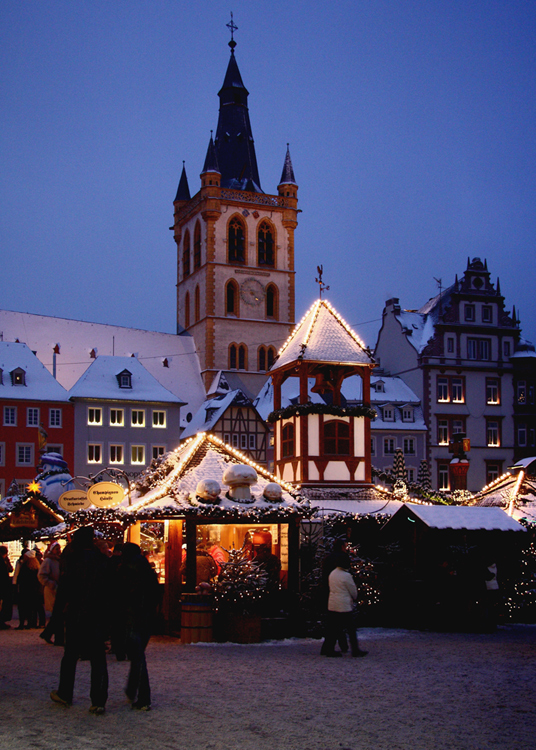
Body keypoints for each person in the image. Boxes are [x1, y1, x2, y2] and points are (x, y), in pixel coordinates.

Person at [50, 527, 110, 714]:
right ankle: (98, 700)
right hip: (96, 614)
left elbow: (64, 588)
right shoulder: (100, 560)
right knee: (98, 658)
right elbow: (108, 590)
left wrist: (58, 612)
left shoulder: (72, 559)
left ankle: (65, 693)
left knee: (70, 655)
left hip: (76, 613)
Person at [113, 542, 159, 711]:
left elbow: (120, 594)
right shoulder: (146, 568)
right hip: (146, 616)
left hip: (132, 615)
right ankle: (133, 689)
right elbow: (154, 593)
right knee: (137, 654)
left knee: (137, 656)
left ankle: (143, 697)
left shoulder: (125, 569)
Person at [321, 552, 367, 658]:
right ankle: (355, 650)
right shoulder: (346, 576)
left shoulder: (332, 574)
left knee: (333, 628)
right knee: (351, 629)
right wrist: (355, 597)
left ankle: (329, 649)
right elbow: (353, 591)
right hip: (344, 605)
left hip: (332, 604)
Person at [38, 542, 63, 645]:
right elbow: (41, 575)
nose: (58, 550)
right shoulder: (48, 561)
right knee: (58, 614)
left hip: (59, 589)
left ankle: (48, 634)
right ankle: (57, 638)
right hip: (52, 590)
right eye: (56, 549)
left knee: (58, 614)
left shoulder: (59, 560)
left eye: (59, 548)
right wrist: (51, 584)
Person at [16, 549, 41, 629]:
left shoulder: (25, 566)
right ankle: (31, 623)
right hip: (34, 590)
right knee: (32, 608)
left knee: (22, 607)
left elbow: (20, 578)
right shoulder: (36, 567)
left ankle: (22, 624)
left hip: (25, 590)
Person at [0, 546, 14, 628]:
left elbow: (10, 569)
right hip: (3, 585)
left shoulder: (4, 560)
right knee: (3, 604)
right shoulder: (2, 561)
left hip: (4, 585)